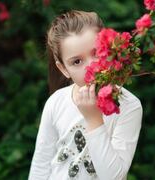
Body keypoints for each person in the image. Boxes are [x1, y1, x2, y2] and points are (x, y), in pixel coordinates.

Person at [28, 10, 143, 180]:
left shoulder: (128, 105)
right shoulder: (56, 103)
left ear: (109, 48)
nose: (92, 67)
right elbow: (41, 165)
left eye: (96, 53)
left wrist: (94, 120)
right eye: (77, 61)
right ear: (63, 69)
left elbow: (114, 177)